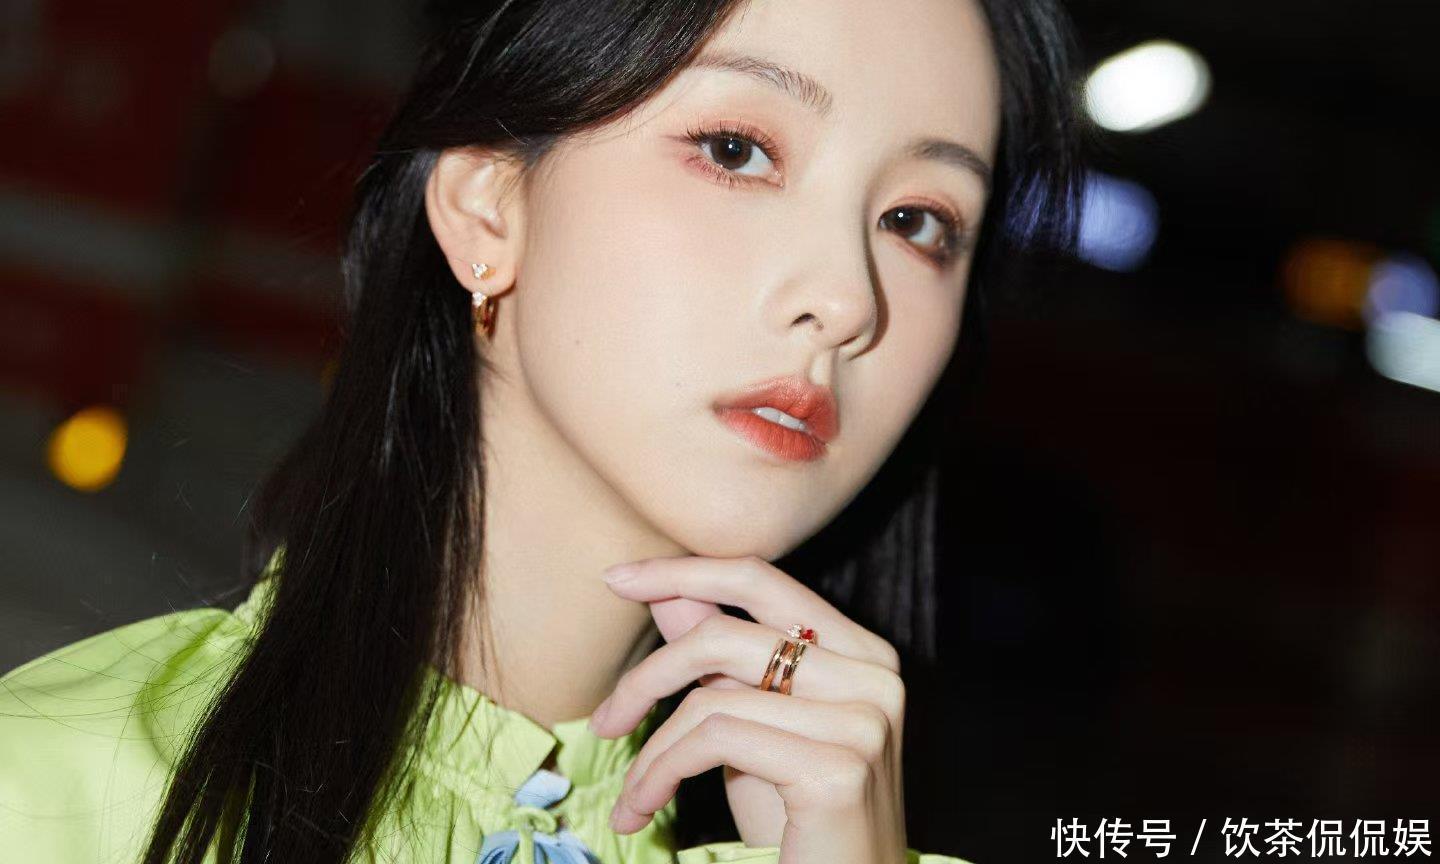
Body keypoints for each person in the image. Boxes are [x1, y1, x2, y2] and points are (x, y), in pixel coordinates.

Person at [0, 0, 1085, 861]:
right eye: (738, 150)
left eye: (916, 222)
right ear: (488, 209)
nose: (847, 300)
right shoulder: (57, 793)